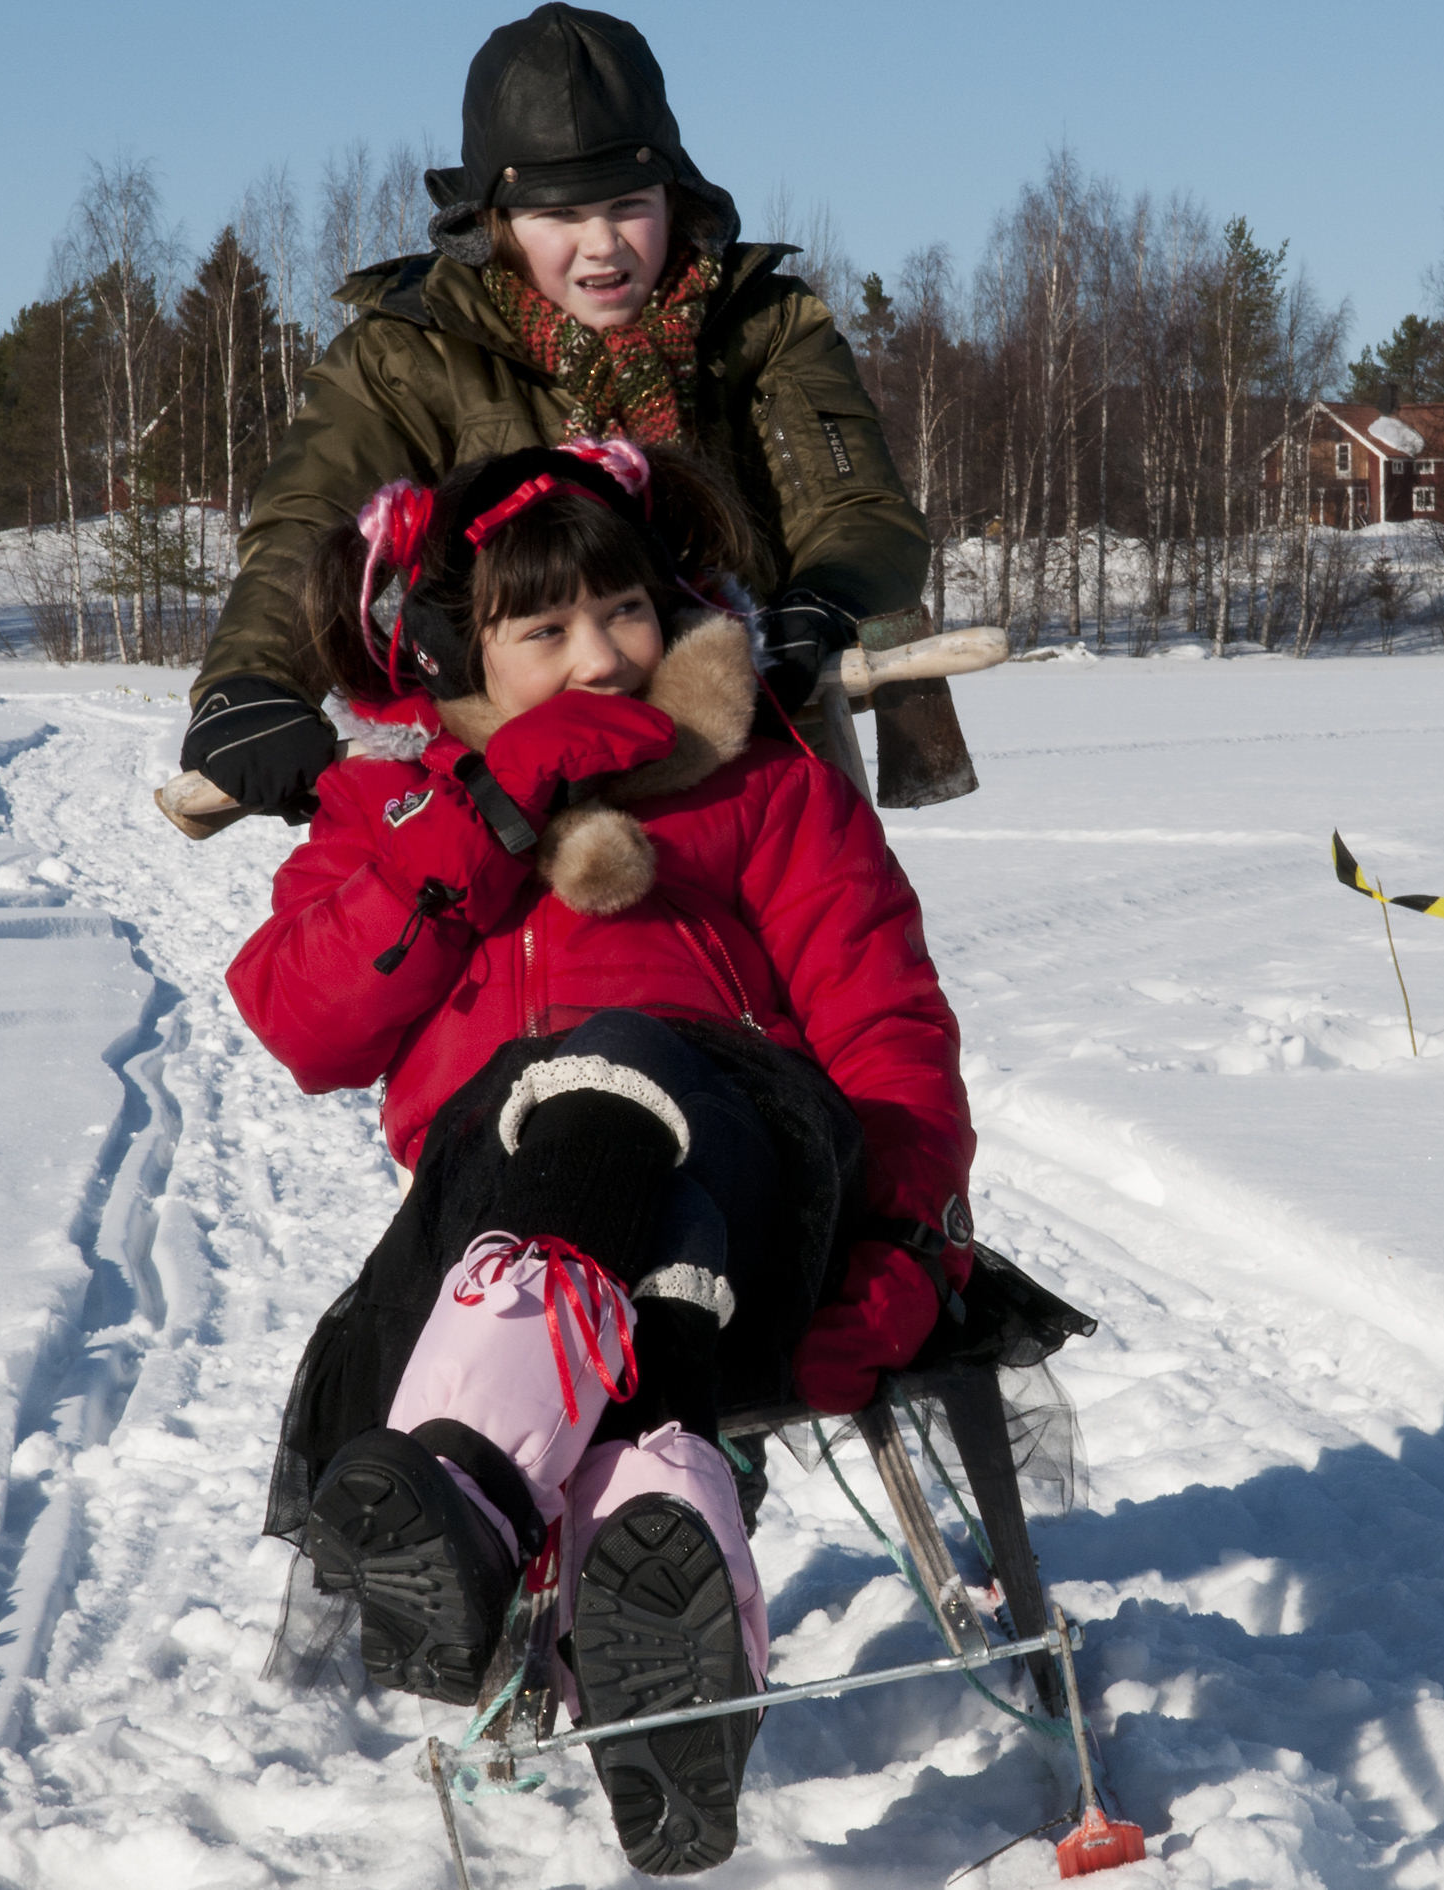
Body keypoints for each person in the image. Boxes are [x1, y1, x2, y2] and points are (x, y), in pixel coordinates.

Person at [228, 438, 974, 1875]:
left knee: (620, 1062)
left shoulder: (760, 781)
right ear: (459, 648)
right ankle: (662, 1654)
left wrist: (900, 1239)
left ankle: (470, 1482)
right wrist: (492, 812)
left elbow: (889, 1030)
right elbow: (303, 1019)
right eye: (542, 628)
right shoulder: (393, 808)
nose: (600, 657)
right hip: (499, 1207)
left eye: (623, 610)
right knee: (549, 1110)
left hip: (757, 1175)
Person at [182, 2, 978, 827]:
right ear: (493, 224)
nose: (602, 245)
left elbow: (855, 506)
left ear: (675, 198)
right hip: (513, 786)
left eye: (628, 203)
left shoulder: (764, 325)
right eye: (558, 215)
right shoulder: (404, 354)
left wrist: (826, 600)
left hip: (756, 756)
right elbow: (309, 527)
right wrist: (253, 682)